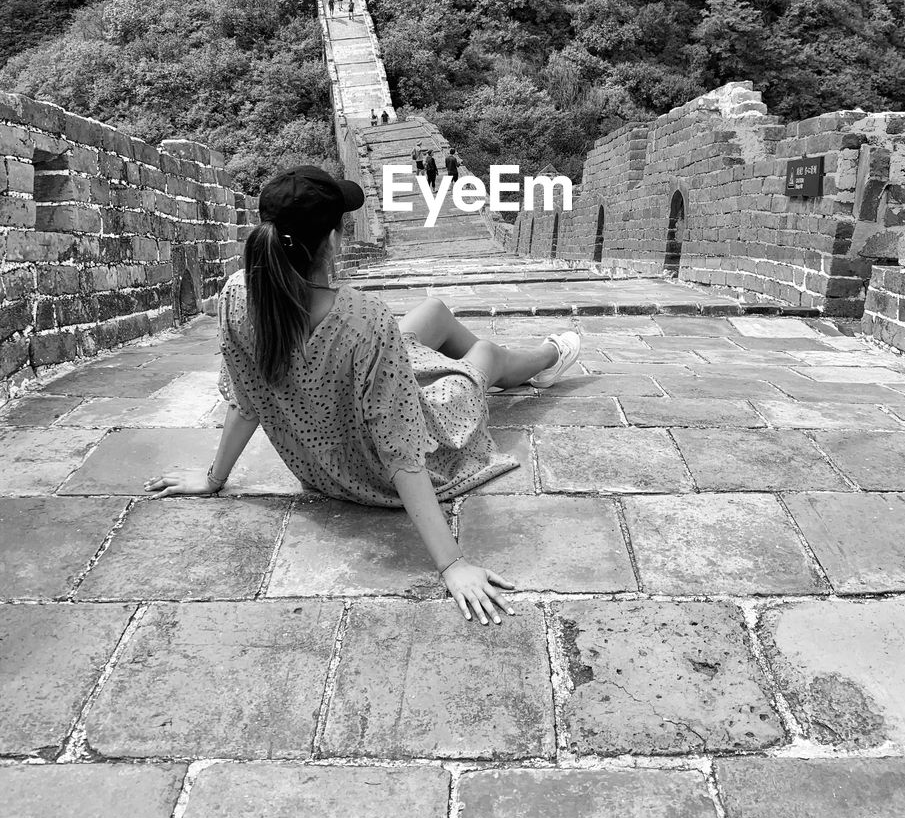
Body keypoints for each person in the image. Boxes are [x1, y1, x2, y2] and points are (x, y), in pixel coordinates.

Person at [144, 166, 581, 627]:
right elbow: (401, 454)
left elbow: (245, 399)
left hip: (322, 465)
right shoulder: (363, 320)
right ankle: (550, 357)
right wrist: (452, 564)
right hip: (380, 468)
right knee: (485, 355)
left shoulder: (239, 294)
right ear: (333, 242)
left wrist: (215, 478)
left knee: (432, 311)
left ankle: (464, 365)